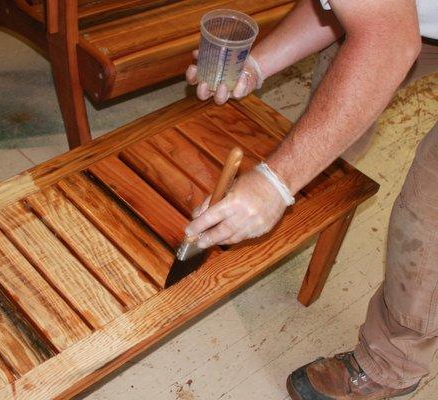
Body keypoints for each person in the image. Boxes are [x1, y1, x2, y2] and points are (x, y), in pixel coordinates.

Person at [185, 0, 437, 398]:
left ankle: (392, 363)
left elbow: (388, 43)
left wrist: (275, 182)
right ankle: (302, 209)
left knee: (428, 213)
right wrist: (256, 65)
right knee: (335, 88)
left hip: (398, 31)